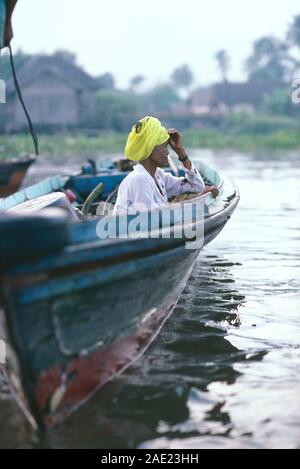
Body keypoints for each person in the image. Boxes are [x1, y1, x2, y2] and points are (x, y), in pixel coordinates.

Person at [113, 116, 218, 214]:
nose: (167, 153)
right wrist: (192, 200)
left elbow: (197, 187)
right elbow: (153, 219)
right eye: (164, 147)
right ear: (150, 149)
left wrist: (180, 151)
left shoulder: (158, 175)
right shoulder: (139, 179)